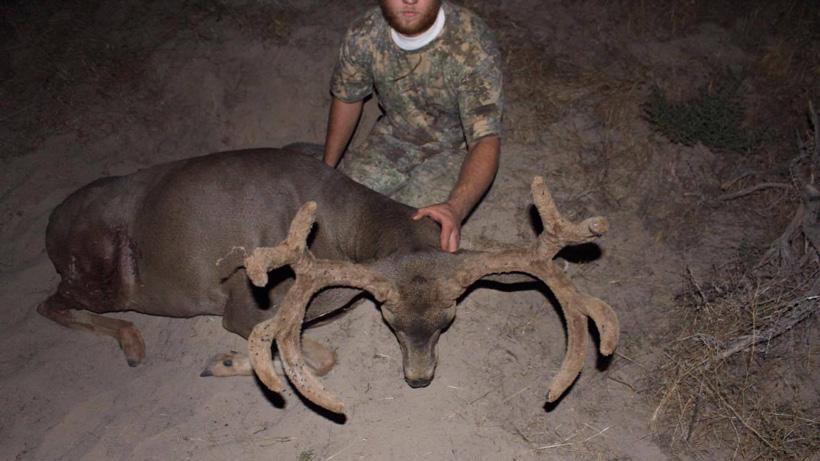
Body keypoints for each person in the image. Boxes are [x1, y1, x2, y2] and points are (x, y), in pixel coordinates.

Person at [322, 0, 503, 253]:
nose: (409, 0)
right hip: (394, 135)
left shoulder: (471, 43)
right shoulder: (364, 34)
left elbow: (485, 139)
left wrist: (455, 208)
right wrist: (325, 171)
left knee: (410, 230)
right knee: (340, 208)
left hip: (455, 149)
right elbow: (347, 99)